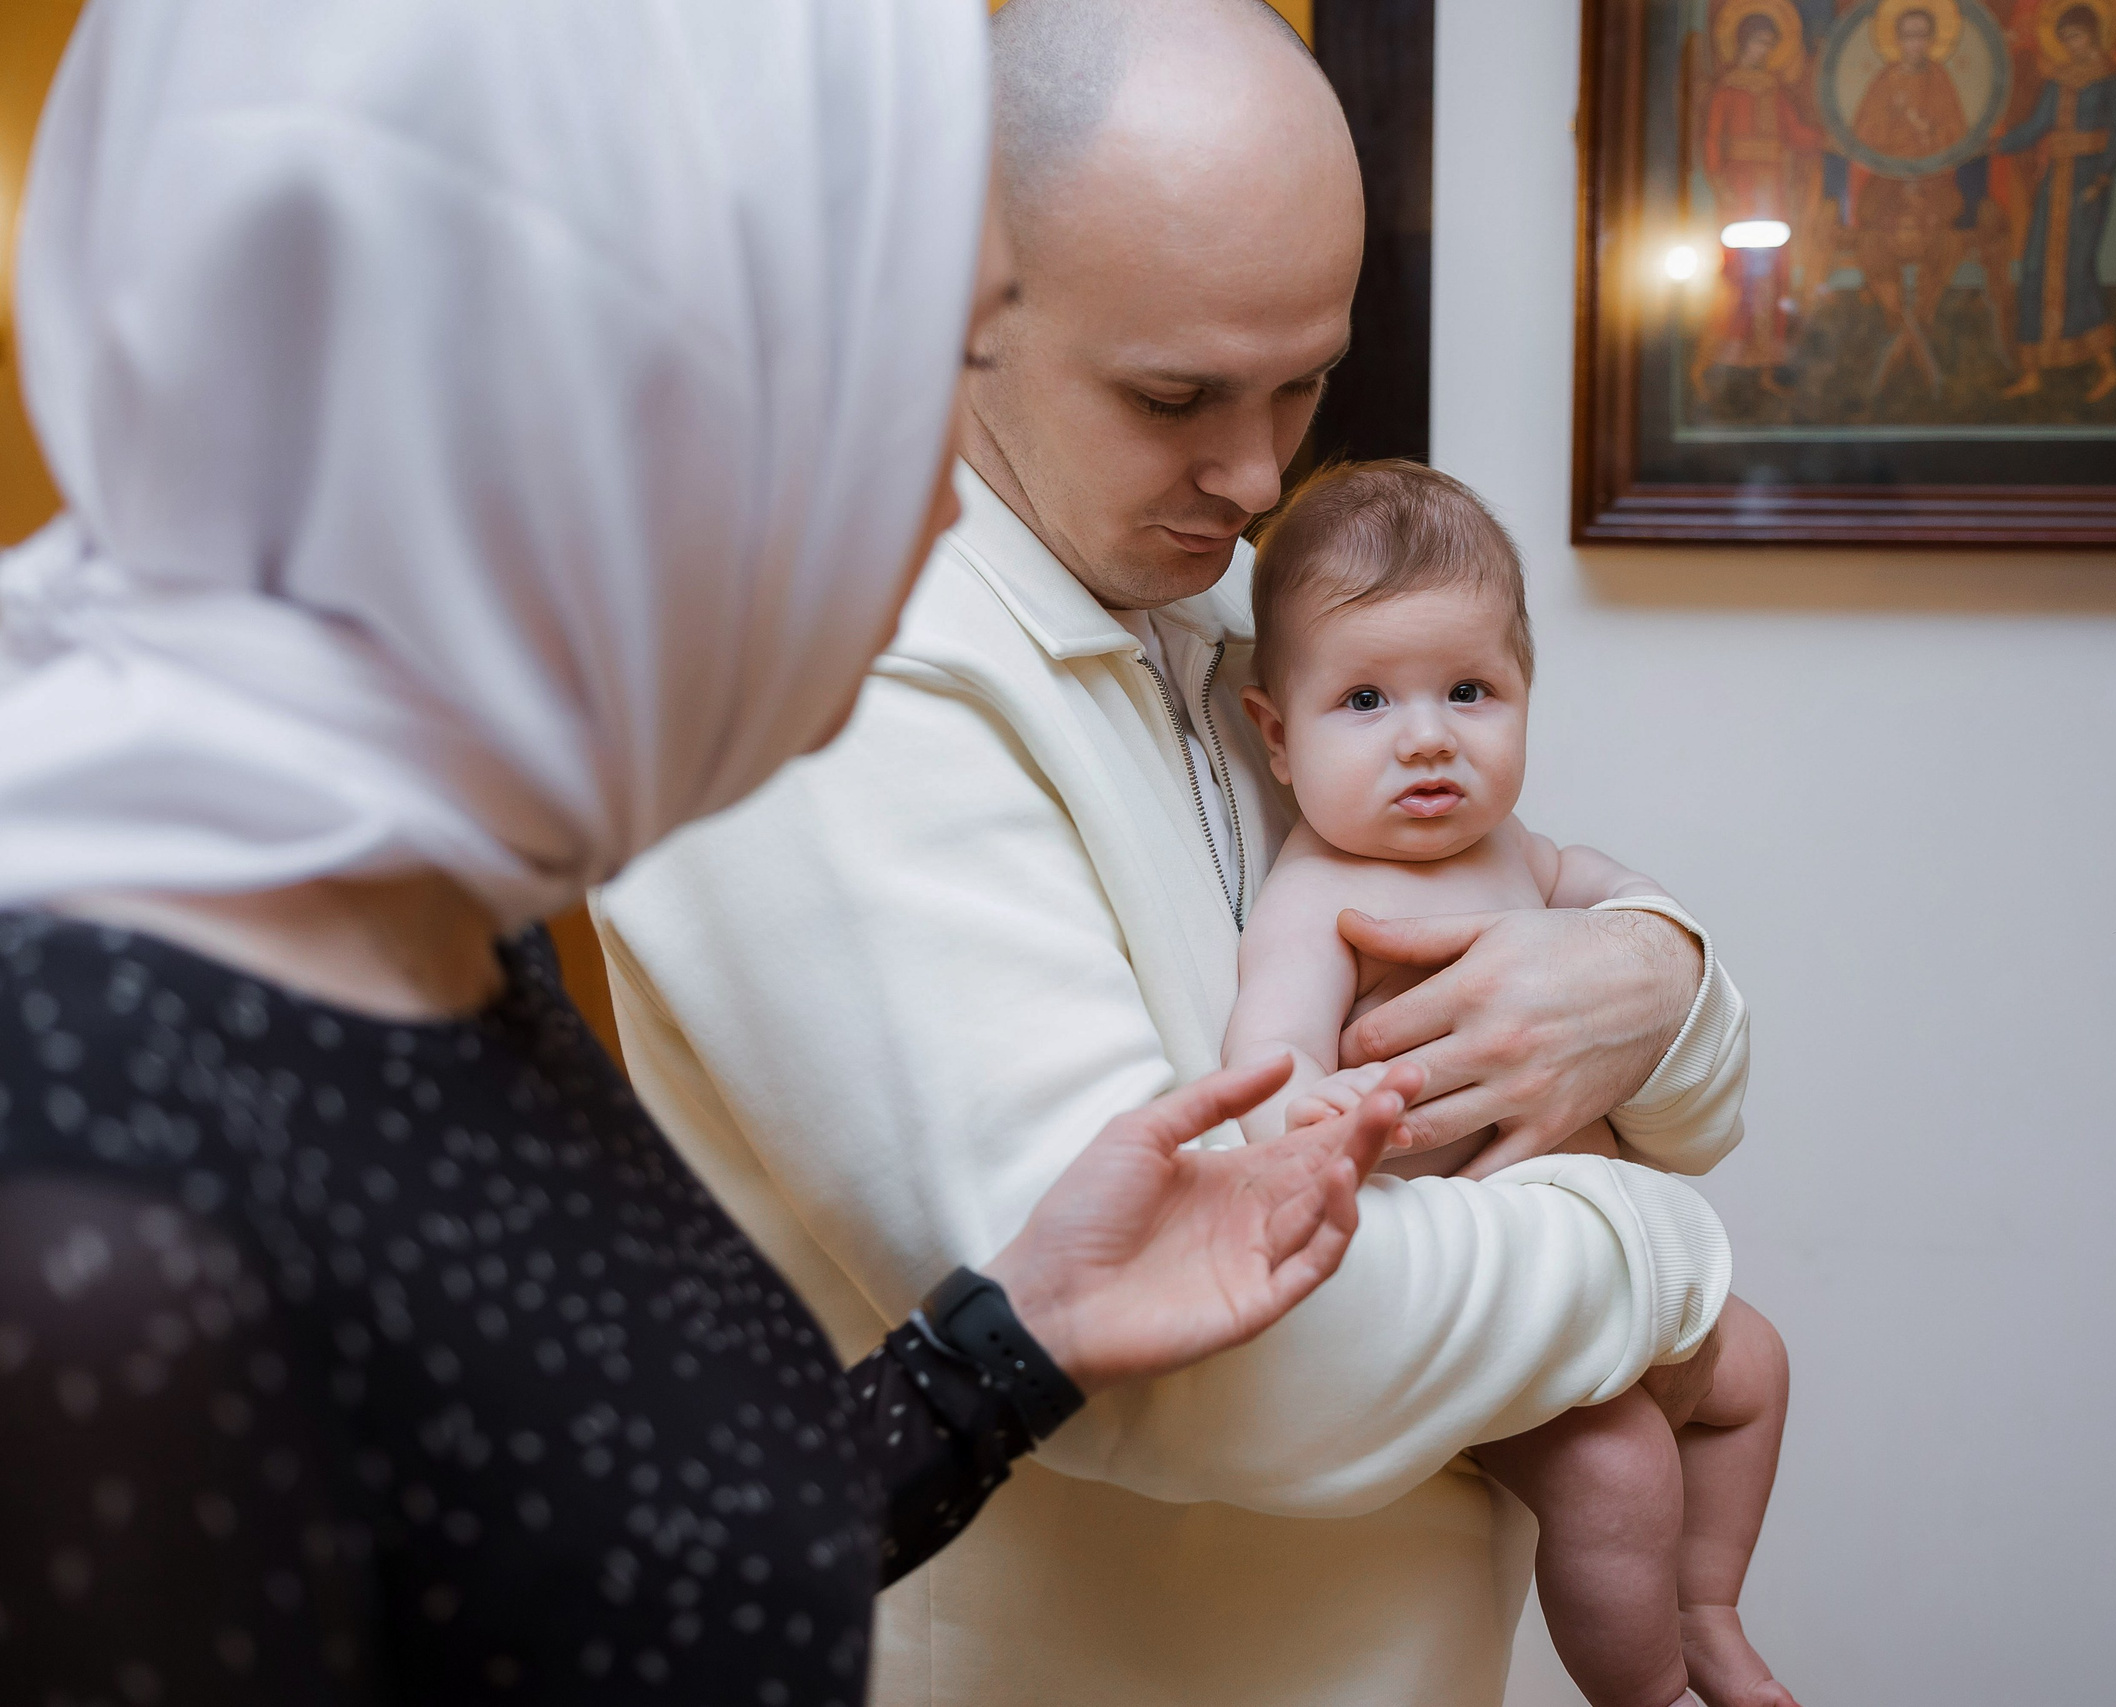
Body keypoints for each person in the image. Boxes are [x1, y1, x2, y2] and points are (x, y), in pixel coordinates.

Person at [0, 2, 1414, 1701]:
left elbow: (582, 1564)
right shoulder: (86, 1219)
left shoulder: (429, 912)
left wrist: (1008, 1345)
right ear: (616, 399)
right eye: (906, 376)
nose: (936, 497)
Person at [593, 0, 1755, 1701]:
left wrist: (1655, 972)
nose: (1258, 473)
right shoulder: (822, 680)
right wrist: (1662, 1258)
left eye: (1305, 382)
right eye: (1174, 394)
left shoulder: (1207, 598)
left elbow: (1661, 1055)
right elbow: (1185, 1350)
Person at [1221, 461, 1796, 1707]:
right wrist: (1304, 1110)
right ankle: (1643, 1692)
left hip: (1625, 1266)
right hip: (1489, 1295)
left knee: (1756, 1376)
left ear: (1525, 696)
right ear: (1276, 734)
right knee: (1618, 1471)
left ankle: (1709, 1608)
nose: (1427, 736)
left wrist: (1651, 939)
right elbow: (1270, 1047)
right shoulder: (1321, 895)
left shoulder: (1527, 855)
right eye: (1366, 699)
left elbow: (1647, 930)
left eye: (1470, 691)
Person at [1993, 4, 2116, 402]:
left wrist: (2103, 176)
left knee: (2078, 268)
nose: (2072, 45)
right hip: (2055, 183)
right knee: (2036, 266)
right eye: (2066, 38)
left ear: (2094, 36)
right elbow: (2038, 126)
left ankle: (2108, 369)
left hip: (2087, 184)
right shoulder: (2057, 80)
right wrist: (1997, 144)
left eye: (2078, 36)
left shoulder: (2109, 79)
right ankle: (2032, 371)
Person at [1689, 8, 1825, 397]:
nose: (1764, 50)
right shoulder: (1727, 89)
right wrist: (1721, 184)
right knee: (1739, 272)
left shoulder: (1774, 89)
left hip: (1773, 190)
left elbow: (1795, 133)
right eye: (1759, 42)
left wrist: (1827, 139)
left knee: (1775, 273)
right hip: (1740, 187)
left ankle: (1767, 363)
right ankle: (1721, 358)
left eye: (1770, 44)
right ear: (1743, 42)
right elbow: (1714, 140)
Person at [1849, 5, 1973, 393]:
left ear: (1932, 40)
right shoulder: (1885, 80)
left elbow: (1958, 133)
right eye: (1908, 35)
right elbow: (1863, 133)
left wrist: (1925, 126)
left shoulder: (1940, 79)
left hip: (1933, 180)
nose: (1914, 43)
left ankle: (1920, 316)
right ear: (1897, 40)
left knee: (1946, 228)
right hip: (1887, 179)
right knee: (1870, 226)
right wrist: (1893, 121)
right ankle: (1898, 318)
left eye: (1922, 35)